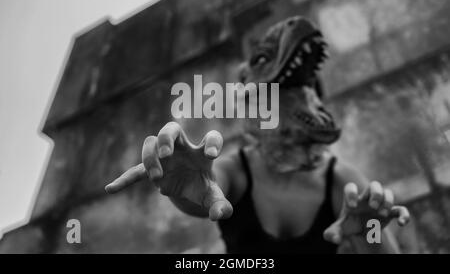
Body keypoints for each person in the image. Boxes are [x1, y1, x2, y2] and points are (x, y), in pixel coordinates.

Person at [105, 16, 410, 253]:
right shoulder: (237, 168)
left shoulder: (343, 180)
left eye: (308, 91)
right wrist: (183, 184)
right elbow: (206, 191)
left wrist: (368, 232)